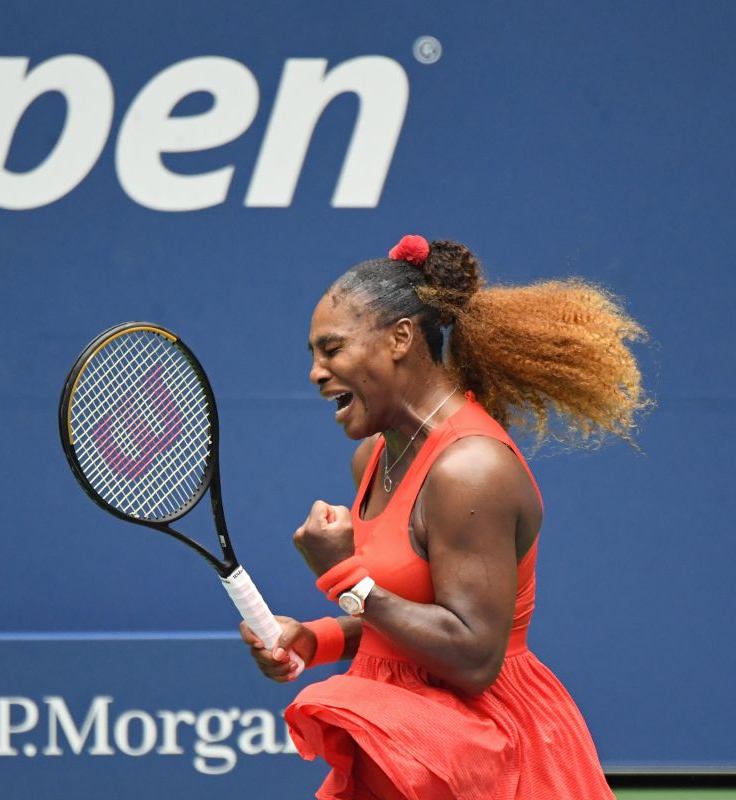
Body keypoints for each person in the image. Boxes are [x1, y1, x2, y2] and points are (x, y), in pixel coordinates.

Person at [240, 235, 647, 800]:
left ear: (400, 338)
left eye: (331, 350)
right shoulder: (376, 456)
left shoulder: (470, 470)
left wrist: (345, 578)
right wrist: (317, 639)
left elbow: (473, 656)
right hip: (408, 746)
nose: (316, 372)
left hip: (489, 754)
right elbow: (414, 621)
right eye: (313, 354)